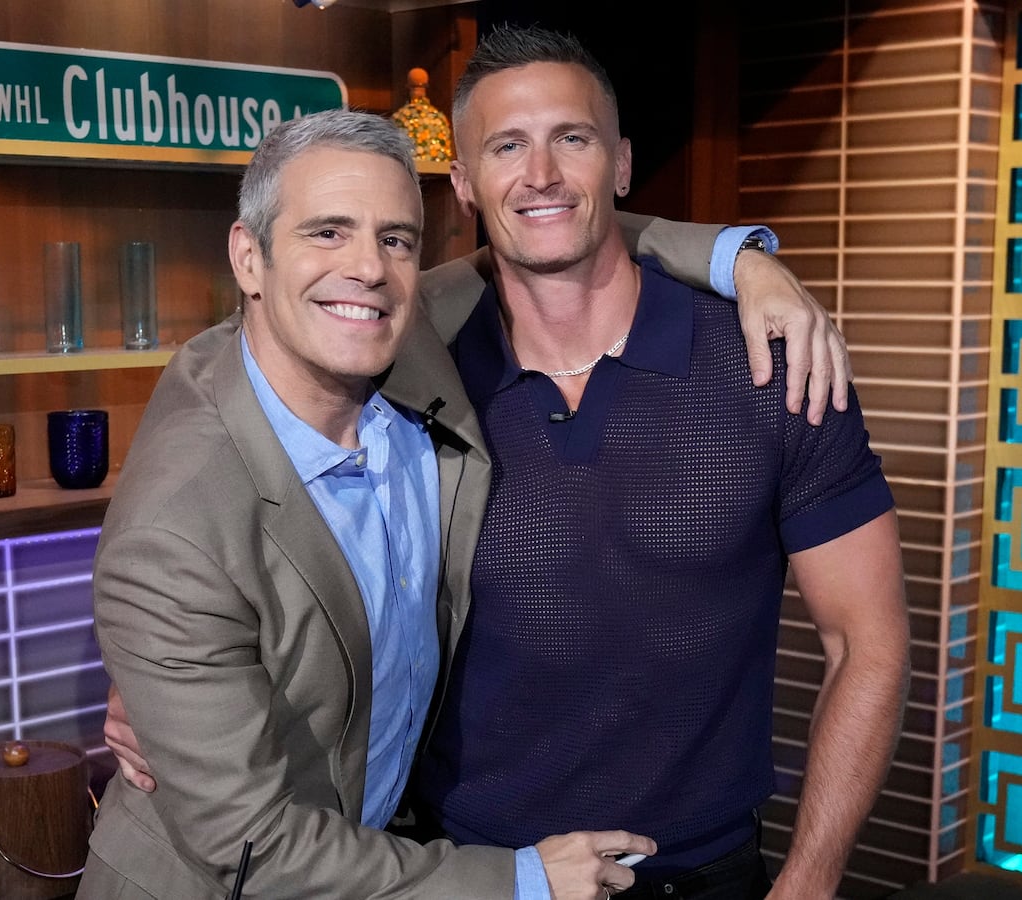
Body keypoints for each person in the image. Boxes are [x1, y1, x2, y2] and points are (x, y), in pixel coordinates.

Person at [108, 24, 908, 900]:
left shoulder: (773, 358)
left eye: (574, 139)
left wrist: (812, 878)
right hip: (460, 870)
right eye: (506, 147)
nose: (541, 175)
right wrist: (173, 686)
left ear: (622, 164)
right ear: (465, 186)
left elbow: (867, 643)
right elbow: (228, 375)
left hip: (701, 872)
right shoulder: (414, 358)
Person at [80, 108, 657, 900]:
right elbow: (255, 850)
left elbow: (548, 239)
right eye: (327, 232)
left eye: (396, 239)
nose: (369, 269)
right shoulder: (176, 532)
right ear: (249, 259)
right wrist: (524, 881)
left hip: (380, 856)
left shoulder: (397, 339)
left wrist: (740, 258)